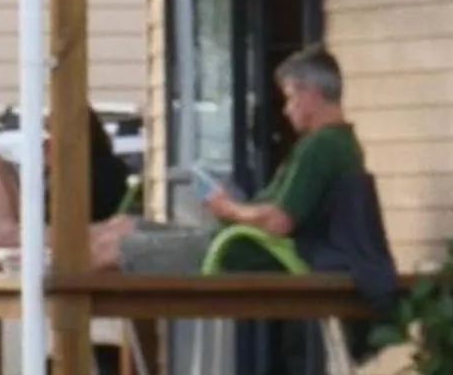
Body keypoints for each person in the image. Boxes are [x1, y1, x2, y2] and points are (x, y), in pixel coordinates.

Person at [93, 46, 397, 303]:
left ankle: (63, 340)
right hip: (237, 243)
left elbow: (279, 221)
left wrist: (228, 208)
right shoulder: (338, 145)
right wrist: (228, 210)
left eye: (290, 98)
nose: (287, 110)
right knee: (121, 226)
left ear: (311, 95)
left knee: (111, 248)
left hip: (244, 253)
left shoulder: (322, 147)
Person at [0, 107, 131, 271]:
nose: (42, 152)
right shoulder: (70, 174)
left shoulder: (91, 175)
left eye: (45, 143)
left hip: (84, 272)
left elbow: (65, 228)